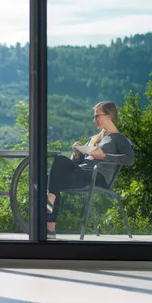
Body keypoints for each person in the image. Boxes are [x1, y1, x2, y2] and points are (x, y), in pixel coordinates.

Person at [46, 101, 134, 239]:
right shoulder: (94, 138)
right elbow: (78, 162)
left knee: (52, 183)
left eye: (97, 116)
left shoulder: (119, 139)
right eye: (94, 117)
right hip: (82, 172)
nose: (95, 120)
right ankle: (50, 227)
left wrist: (104, 156)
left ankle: (49, 206)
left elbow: (129, 159)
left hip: (97, 176)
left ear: (109, 116)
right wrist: (76, 154)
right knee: (58, 164)